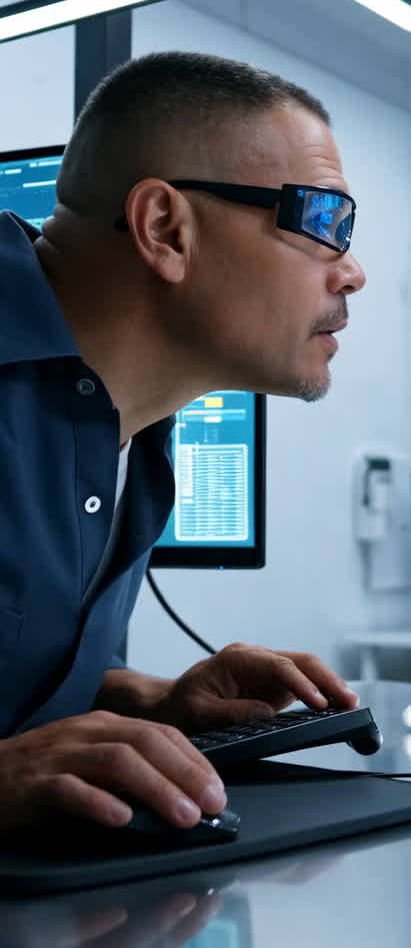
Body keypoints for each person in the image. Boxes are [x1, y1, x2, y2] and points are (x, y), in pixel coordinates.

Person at [0, 51, 366, 834]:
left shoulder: (135, 435)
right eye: (324, 221)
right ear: (166, 228)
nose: (353, 272)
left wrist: (150, 700)